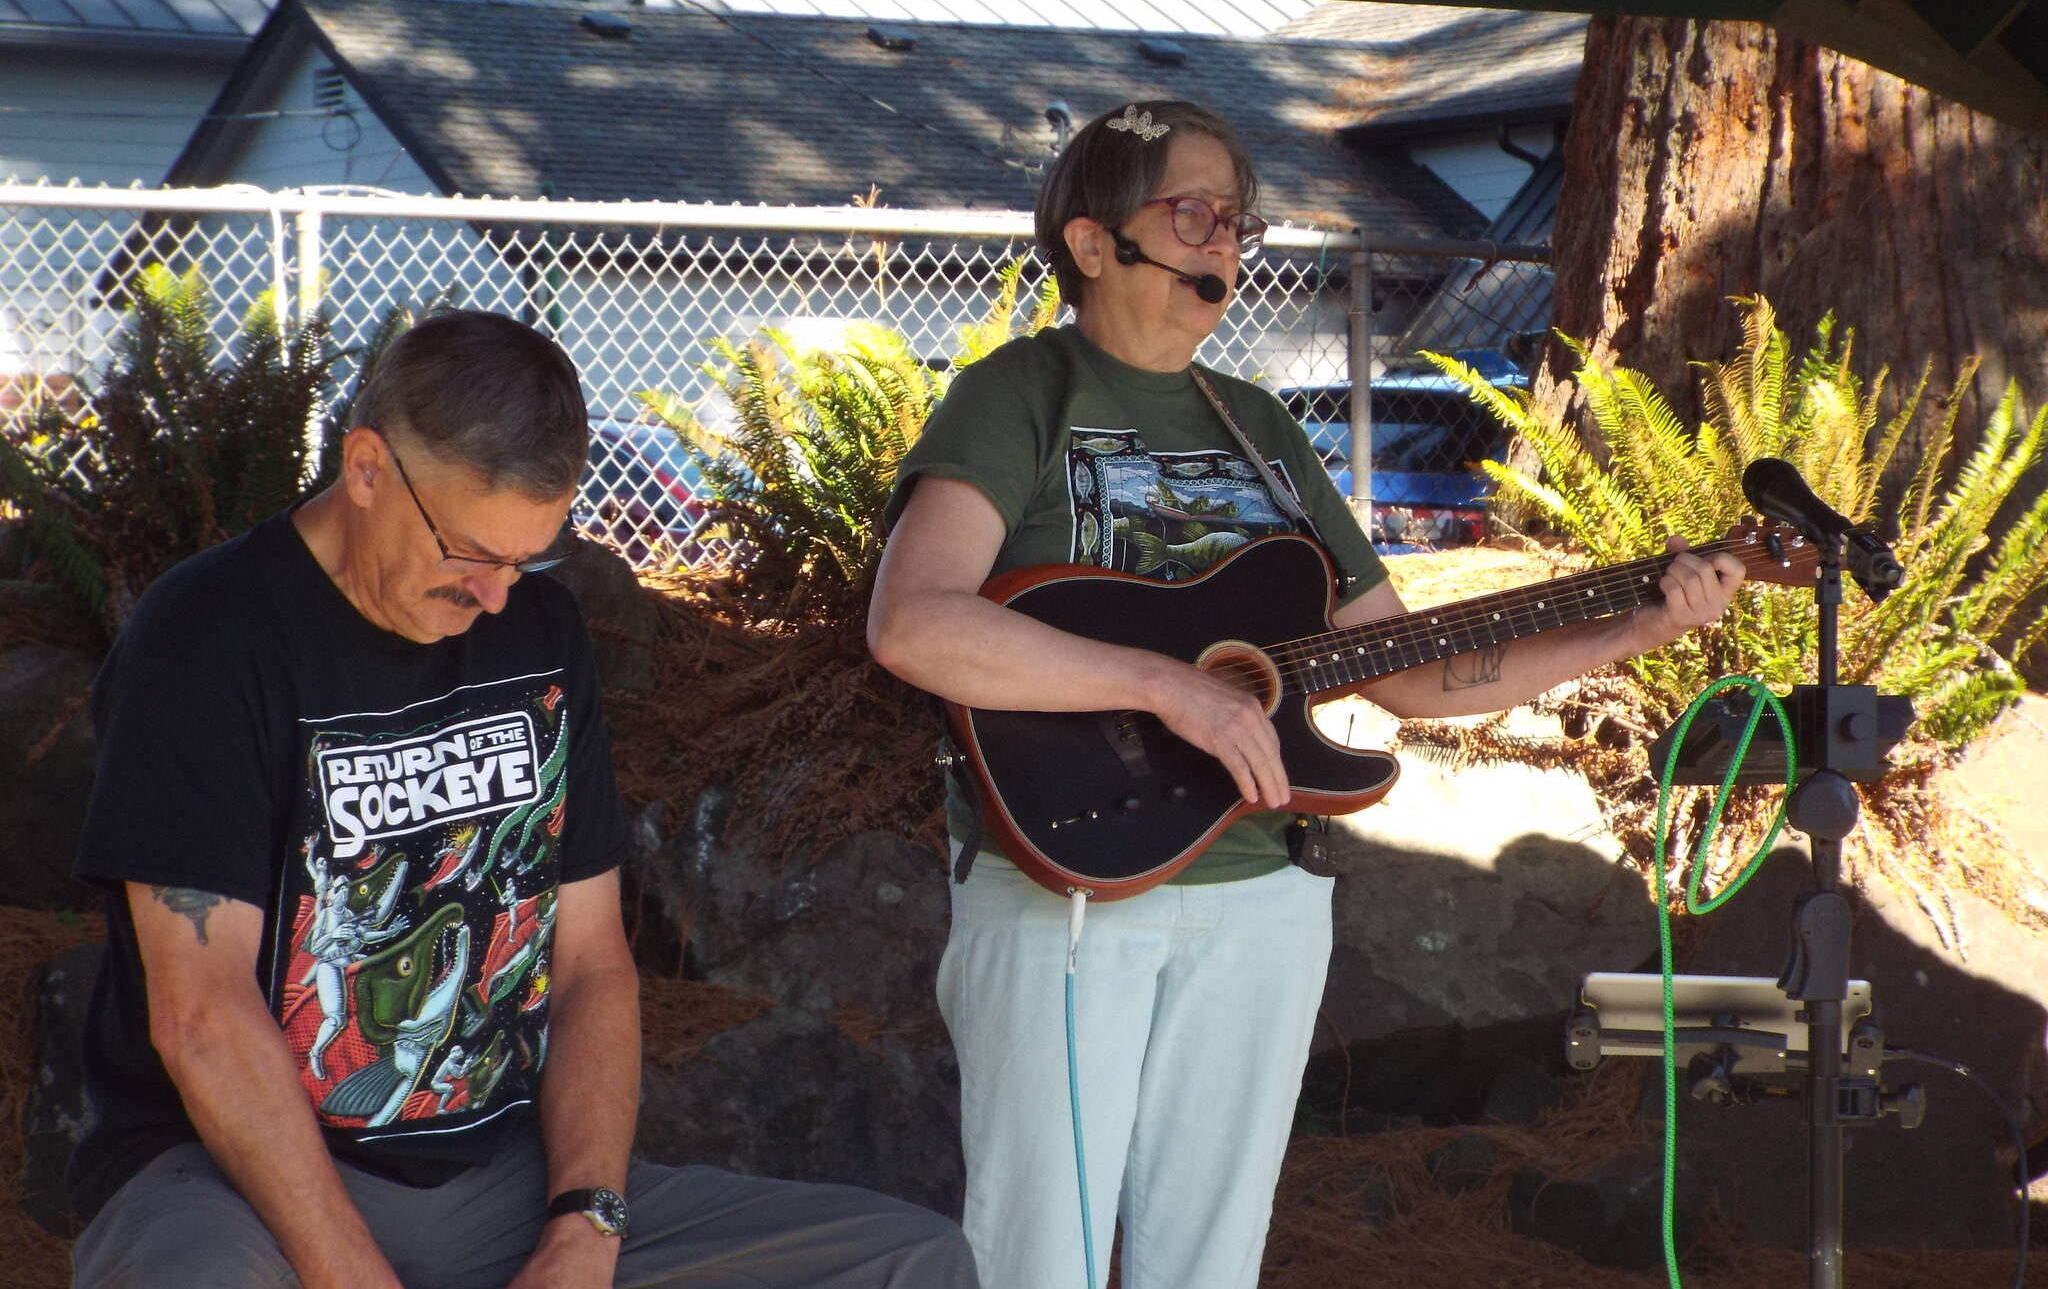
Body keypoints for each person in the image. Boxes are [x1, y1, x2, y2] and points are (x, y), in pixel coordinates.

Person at [865, 100, 1745, 1289]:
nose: (1224, 246)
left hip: (1261, 892)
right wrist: (1168, 690)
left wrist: (1630, 626)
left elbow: (1405, 669)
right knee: (1036, 1260)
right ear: (1090, 241)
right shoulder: (1019, 394)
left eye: (1239, 223)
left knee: (1208, 1265)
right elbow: (914, 623)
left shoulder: (1262, 423)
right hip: (1066, 887)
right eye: (1192, 215)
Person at [69, 309, 977, 1289]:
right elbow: (199, 1015)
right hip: (234, 1180)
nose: (495, 597)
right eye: (470, 553)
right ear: (367, 467)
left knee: (906, 1263)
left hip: (497, 1185)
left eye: (524, 560)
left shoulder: (537, 631)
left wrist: (586, 1221)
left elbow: (590, 962)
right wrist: (349, 1271)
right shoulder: (206, 640)